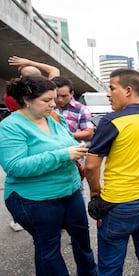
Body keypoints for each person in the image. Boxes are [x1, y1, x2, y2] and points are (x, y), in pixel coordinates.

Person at [0, 76, 96, 275]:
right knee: (48, 248)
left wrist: (77, 149)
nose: (54, 103)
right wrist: (63, 154)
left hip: (70, 191)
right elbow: (15, 166)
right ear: (27, 100)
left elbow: (67, 141)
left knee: (82, 239)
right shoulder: (10, 126)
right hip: (34, 198)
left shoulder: (53, 117)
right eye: (46, 100)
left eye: (53, 98)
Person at [85, 68, 139, 276]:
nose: (108, 94)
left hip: (119, 204)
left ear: (128, 90)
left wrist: (95, 191)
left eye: (112, 88)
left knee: (110, 265)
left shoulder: (112, 121)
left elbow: (91, 166)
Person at [5, 55, 61, 232]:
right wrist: (29, 63)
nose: (51, 103)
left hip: (29, 137)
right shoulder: (42, 94)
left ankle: (23, 216)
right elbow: (54, 70)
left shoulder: (11, 96)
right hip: (41, 131)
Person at [52, 76, 94, 141]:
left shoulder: (81, 109)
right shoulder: (46, 107)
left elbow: (88, 133)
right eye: (56, 96)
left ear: (71, 93)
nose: (60, 99)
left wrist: (66, 136)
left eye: (64, 96)